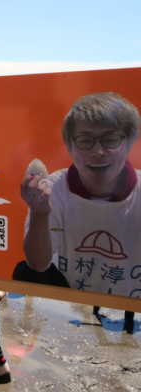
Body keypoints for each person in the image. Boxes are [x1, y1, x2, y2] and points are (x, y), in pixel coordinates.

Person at [20, 92, 140, 332]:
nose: (98, 151)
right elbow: (38, 264)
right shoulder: (53, 188)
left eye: (110, 139)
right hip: (73, 297)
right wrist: (39, 212)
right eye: (85, 140)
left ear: (128, 142)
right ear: (69, 146)